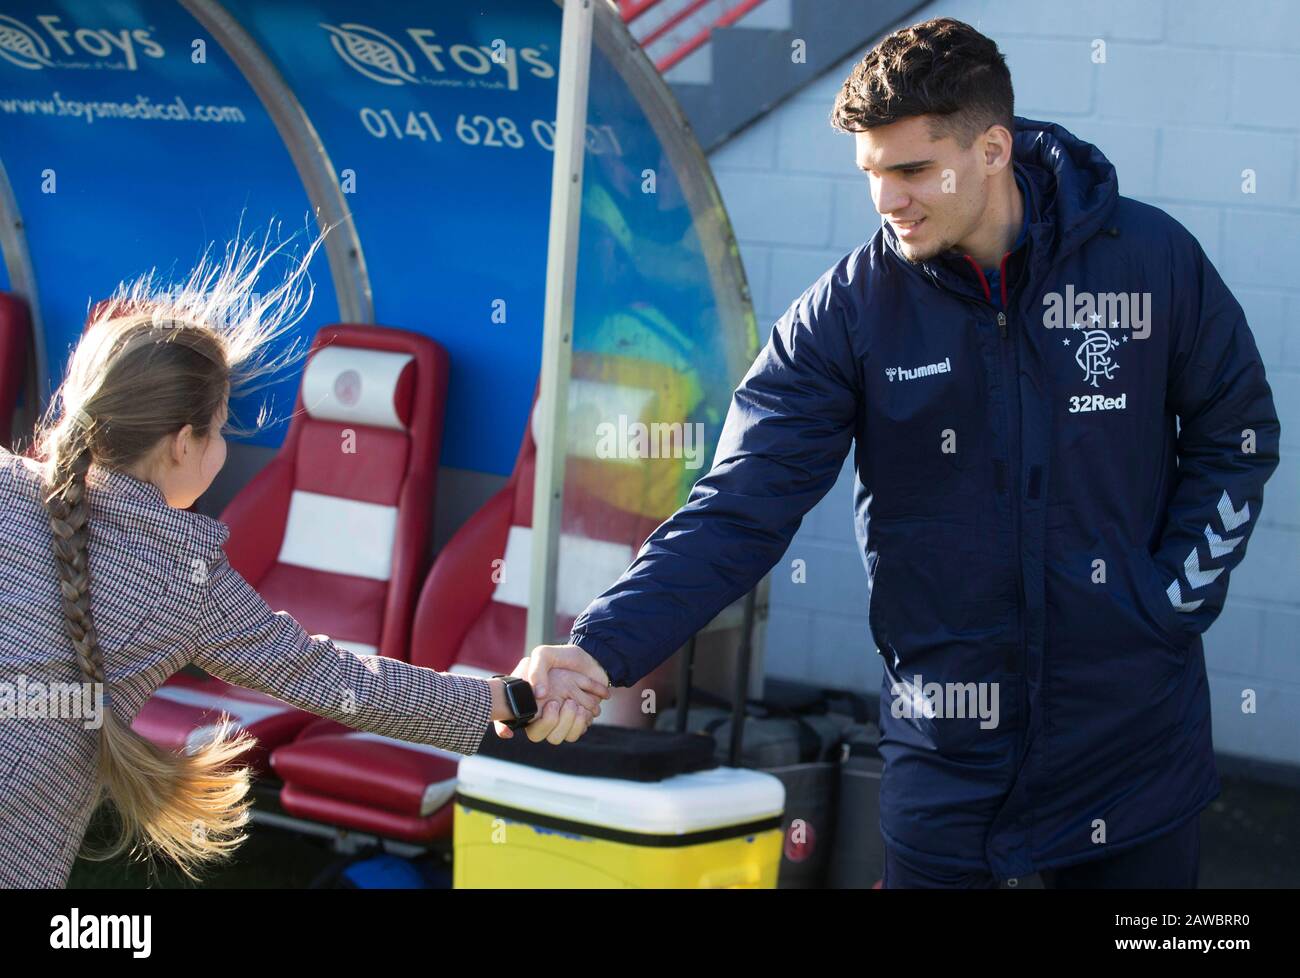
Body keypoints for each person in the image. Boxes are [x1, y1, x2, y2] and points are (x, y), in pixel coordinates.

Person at [520, 17, 1281, 888]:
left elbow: (1238, 433)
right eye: (872, 173)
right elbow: (738, 506)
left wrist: (1167, 601)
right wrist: (600, 646)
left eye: (914, 169)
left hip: (1134, 745)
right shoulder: (846, 315)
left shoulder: (1152, 263)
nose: (888, 199)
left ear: (992, 148)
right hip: (945, 758)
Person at [0, 224, 610, 888]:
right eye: (224, 426)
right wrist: (507, 697)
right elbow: (343, 683)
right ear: (183, 445)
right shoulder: (186, 581)